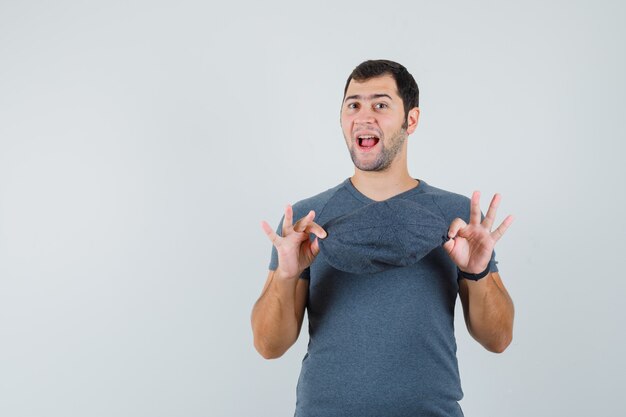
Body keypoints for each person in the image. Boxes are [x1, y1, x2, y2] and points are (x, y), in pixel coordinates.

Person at [251, 59, 514, 417]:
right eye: (353, 105)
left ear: (412, 120)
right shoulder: (305, 221)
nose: (364, 116)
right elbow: (268, 346)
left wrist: (477, 273)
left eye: (381, 104)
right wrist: (285, 277)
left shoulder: (458, 218)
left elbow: (497, 339)